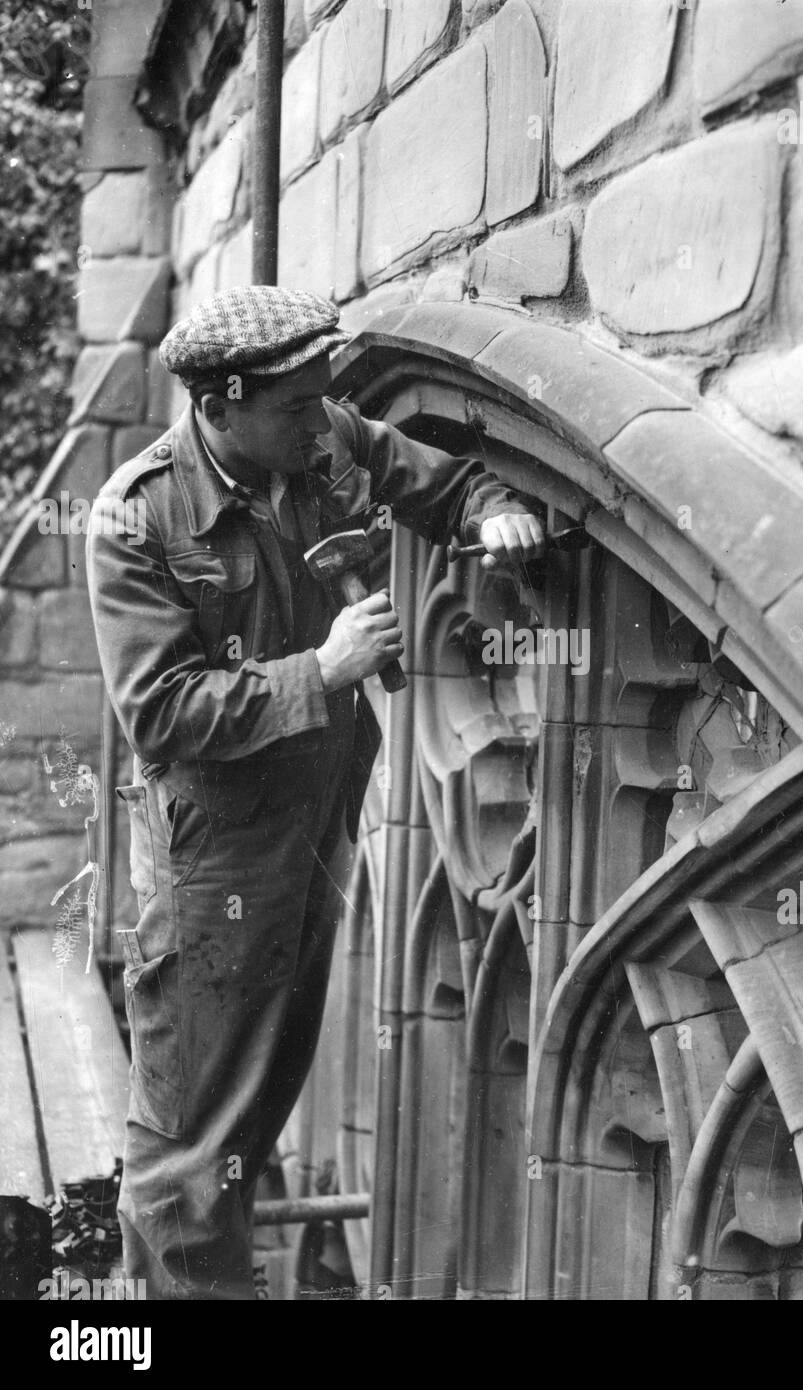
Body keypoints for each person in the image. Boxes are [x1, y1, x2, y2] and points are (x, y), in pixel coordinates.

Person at [86, 285, 545, 1299]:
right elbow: (158, 715)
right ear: (220, 404)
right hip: (215, 863)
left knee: (255, 1113)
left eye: (322, 399)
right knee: (189, 1150)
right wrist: (324, 670)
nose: (322, 419)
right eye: (295, 406)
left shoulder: (313, 430)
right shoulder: (135, 516)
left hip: (319, 830)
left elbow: (422, 475)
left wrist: (493, 512)